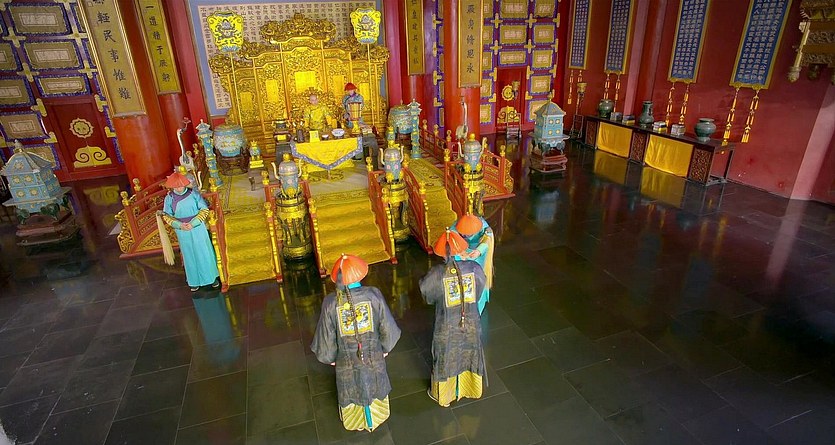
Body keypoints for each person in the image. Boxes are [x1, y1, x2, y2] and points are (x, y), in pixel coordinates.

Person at [311, 254, 401, 432]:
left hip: (346, 360)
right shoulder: (373, 295)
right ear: (360, 274)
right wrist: (385, 347)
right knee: (375, 382)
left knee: (350, 387)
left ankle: (356, 422)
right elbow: (386, 326)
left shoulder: (331, 303)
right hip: (374, 354)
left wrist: (330, 357)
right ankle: (375, 418)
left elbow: (327, 337)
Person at [420, 230, 487, 407]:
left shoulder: (437, 274)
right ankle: (470, 389)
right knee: (471, 352)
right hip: (471, 323)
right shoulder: (474, 269)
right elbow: (479, 291)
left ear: (443, 253)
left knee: (445, 356)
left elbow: (427, 295)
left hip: (447, 326)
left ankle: (445, 395)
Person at [158, 171, 220, 291]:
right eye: (176, 186)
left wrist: (193, 223)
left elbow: (204, 209)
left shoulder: (194, 194)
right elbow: (167, 215)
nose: (179, 188)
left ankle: (212, 278)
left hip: (197, 227)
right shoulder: (169, 198)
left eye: (181, 185)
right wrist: (179, 225)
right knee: (189, 255)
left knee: (204, 252)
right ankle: (194, 281)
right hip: (182, 230)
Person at [450, 213, 494, 314]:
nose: (467, 236)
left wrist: (479, 250)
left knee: (479, 277)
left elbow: (488, 239)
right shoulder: (455, 227)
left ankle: (478, 304)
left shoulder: (484, 227)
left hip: (478, 252)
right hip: (461, 252)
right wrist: (459, 251)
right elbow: (452, 240)